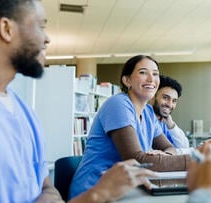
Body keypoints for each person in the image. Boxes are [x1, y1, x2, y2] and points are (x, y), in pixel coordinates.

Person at [0, 0, 157, 202]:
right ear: (6, 29)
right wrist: (98, 194)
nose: (46, 39)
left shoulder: (24, 113)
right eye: (40, 26)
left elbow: (47, 188)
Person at [69, 55, 193, 199]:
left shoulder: (148, 112)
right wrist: (195, 160)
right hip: (95, 190)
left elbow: (169, 148)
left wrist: (164, 156)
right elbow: (137, 160)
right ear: (127, 80)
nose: (151, 79)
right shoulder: (119, 104)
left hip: (126, 189)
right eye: (143, 72)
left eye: (155, 74)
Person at [149, 75, 193, 154]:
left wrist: (171, 125)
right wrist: (197, 150)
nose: (170, 104)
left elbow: (184, 146)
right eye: (165, 98)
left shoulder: (164, 122)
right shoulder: (145, 118)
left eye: (174, 101)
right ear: (152, 97)